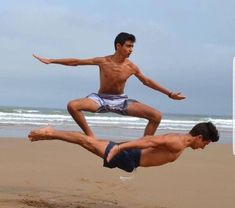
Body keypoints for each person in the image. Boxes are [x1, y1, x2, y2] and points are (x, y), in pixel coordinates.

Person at [33, 32, 185, 137]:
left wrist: (169, 94)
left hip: (121, 101)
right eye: (128, 46)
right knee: (72, 105)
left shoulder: (131, 67)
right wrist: (51, 60)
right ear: (118, 46)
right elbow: (77, 62)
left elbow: (147, 81)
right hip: (101, 99)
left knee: (156, 116)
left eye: (132, 47)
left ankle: (144, 145)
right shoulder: (103, 61)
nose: (131, 50)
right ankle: (91, 136)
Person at [28, 122, 219, 173]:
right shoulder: (177, 142)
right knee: (87, 141)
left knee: (88, 142)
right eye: (206, 143)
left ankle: (50, 134)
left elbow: (149, 138)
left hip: (131, 159)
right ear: (200, 137)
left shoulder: (180, 142)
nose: (205, 147)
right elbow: (147, 142)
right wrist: (119, 149)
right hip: (129, 156)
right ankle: (49, 133)